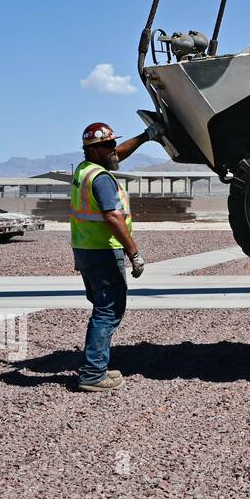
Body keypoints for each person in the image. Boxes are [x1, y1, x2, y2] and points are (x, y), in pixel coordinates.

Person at [70, 121, 158, 392]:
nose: (113, 150)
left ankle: (96, 367)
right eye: (108, 145)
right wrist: (134, 253)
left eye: (112, 144)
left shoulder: (84, 171)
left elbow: (119, 155)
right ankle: (94, 373)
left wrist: (146, 136)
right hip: (103, 252)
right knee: (108, 310)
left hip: (85, 250)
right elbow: (112, 216)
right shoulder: (102, 179)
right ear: (95, 150)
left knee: (102, 308)